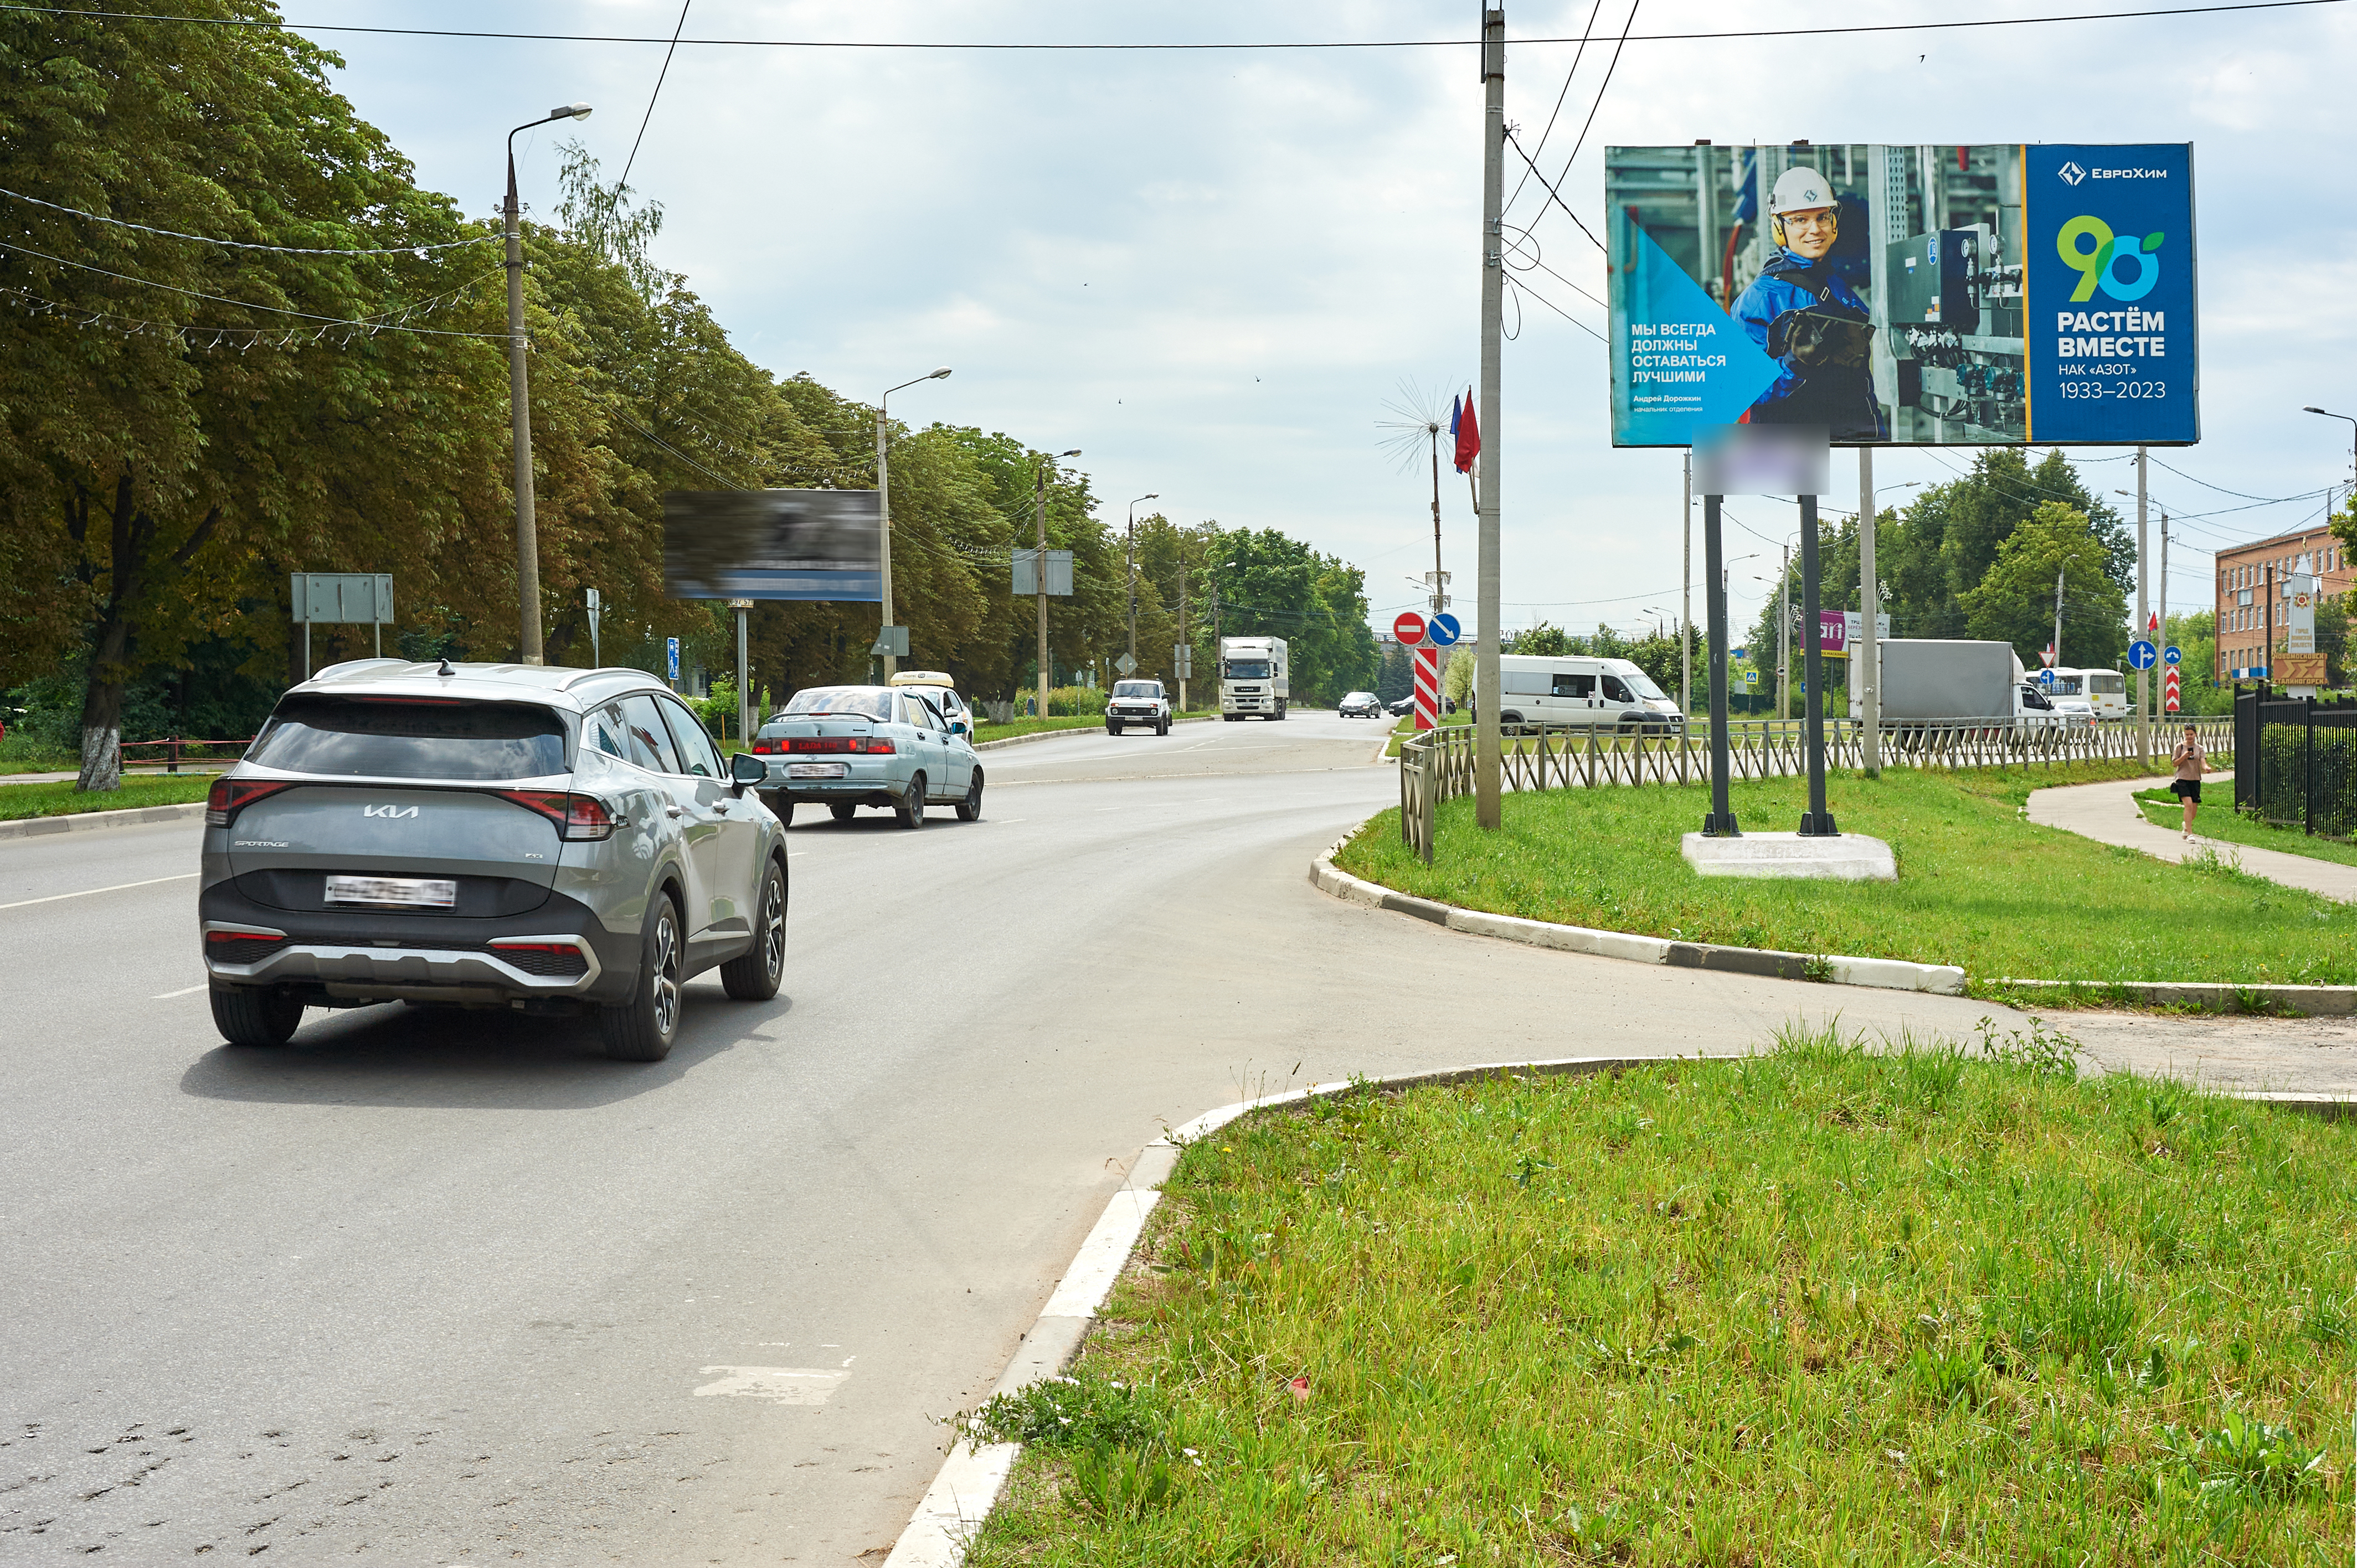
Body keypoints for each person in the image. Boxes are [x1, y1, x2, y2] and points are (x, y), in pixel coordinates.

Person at [1731, 167, 1888, 441]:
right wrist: (1795, 365)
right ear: (1780, 227)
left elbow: (1861, 385)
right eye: (1800, 220)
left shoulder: (1841, 292)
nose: (1815, 230)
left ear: (1834, 222)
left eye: (1822, 218)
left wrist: (1876, 439)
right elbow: (1743, 390)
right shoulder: (1759, 301)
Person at [2169, 724, 2208, 840]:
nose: (2189, 737)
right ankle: (2190, 834)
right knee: (2189, 805)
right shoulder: (2180, 747)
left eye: (2191, 734)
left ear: (2196, 734)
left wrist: (2206, 768)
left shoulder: (2199, 748)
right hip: (2182, 779)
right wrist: (2184, 757)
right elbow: (2175, 763)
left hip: (2195, 780)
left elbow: (2203, 762)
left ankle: (2186, 826)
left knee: (2194, 810)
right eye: (2187, 735)